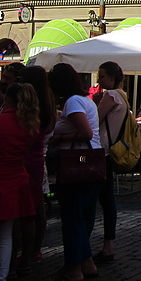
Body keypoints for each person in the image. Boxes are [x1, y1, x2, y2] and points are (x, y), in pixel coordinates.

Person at [48, 63, 102, 281]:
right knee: (83, 216)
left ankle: (74, 267)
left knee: (72, 217)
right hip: (92, 163)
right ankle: (86, 262)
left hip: (77, 163)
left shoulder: (72, 102)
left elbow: (86, 133)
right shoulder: (84, 101)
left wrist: (59, 138)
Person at [16, 66, 56, 275]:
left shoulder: (29, 100)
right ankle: (34, 251)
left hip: (25, 158)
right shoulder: (48, 99)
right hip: (39, 158)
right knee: (36, 207)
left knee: (24, 210)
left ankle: (25, 254)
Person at [0, 83, 38, 281]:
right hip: (16, 178)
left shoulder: (2, 120)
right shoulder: (29, 125)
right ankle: (3, 274)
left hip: (3, 177)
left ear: (8, 99)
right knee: (6, 234)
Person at [93, 61, 127, 265]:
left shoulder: (112, 96)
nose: (99, 79)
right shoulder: (123, 96)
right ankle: (108, 245)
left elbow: (94, 119)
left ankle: (104, 248)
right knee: (108, 200)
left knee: (99, 200)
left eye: (103, 75)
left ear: (113, 77)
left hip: (101, 151)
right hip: (111, 151)